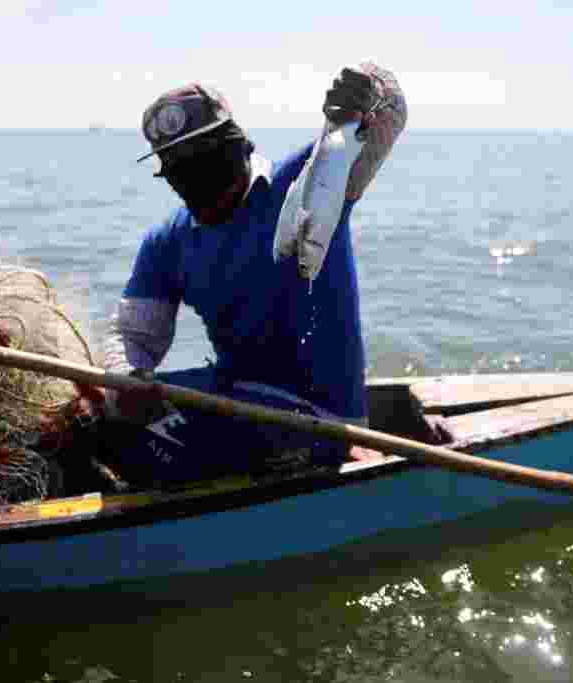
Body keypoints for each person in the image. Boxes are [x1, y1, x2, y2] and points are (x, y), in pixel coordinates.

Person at [84, 61, 407, 488]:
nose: (196, 180)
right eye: (180, 170)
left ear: (238, 146)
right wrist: (127, 379)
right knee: (95, 420)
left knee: (144, 453)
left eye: (206, 162)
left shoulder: (309, 184)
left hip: (321, 418)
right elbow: (133, 336)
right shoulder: (167, 242)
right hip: (238, 397)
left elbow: (391, 111)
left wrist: (367, 88)